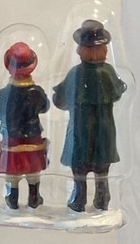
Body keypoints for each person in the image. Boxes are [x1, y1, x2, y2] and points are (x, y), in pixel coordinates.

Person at [52, 19, 127, 212]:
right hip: (104, 131)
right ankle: (102, 199)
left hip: (80, 131)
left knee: (80, 169)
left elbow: (60, 100)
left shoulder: (76, 74)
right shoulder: (108, 72)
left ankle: (79, 200)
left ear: (82, 50)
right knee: (102, 168)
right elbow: (118, 92)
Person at [0, 41, 49, 209]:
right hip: (33, 137)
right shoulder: (37, 92)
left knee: (12, 170)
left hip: (11, 138)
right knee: (33, 169)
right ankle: (34, 198)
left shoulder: (3, 94)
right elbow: (45, 107)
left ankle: (12, 199)